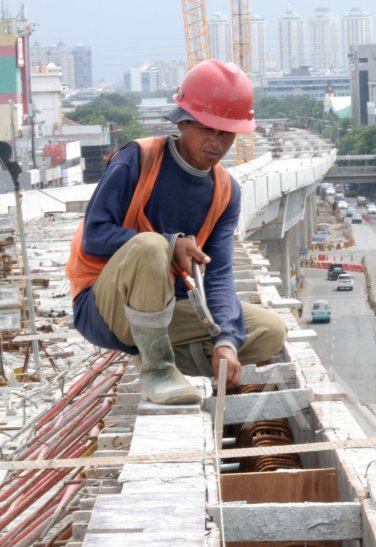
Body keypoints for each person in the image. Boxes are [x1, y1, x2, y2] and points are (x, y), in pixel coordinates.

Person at [66, 59, 284, 405]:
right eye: (206, 128)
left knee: (268, 331)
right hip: (104, 307)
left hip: (164, 309)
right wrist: (171, 244)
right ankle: (157, 369)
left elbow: (219, 274)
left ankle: (154, 352)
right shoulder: (137, 160)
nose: (216, 141)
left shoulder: (226, 191)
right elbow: (95, 237)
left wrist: (226, 342)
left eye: (225, 132)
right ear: (182, 122)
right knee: (151, 246)